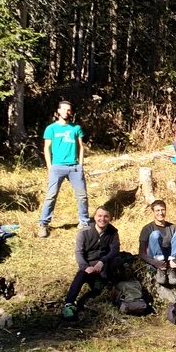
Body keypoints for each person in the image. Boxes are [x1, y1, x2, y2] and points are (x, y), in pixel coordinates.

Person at [38, 101, 90, 237]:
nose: (67, 112)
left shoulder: (76, 128)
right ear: (58, 111)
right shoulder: (51, 129)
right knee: (51, 196)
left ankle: (84, 222)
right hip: (57, 167)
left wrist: (80, 165)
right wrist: (49, 166)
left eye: (69, 110)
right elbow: (46, 148)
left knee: (82, 196)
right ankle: (44, 224)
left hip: (74, 167)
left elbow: (81, 147)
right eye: (64, 109)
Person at [62, 207, 122, 320]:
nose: (102, 219)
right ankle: (69, 303)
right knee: (80, 275)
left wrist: (102, 262)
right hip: (88, 263)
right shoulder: (85, 231)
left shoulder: (113, 232)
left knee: (116, 261)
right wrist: (85, 267)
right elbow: (79, 252)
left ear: (110, 218)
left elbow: (115, 250)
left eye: (106, 216)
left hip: (103, 264)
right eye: (99, 216)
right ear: (94, 217)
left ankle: (106, 289)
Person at [138, 199, 176, 286]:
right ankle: (161, 270)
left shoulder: (173, 227)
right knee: (155, 234)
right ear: (153, 212)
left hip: (171, 258)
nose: (160, 213)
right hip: (155, 259)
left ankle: (172, 270)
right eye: (157, 210)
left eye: (163, 210)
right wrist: (156, 263)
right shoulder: (147, 228)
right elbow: (141, 253)